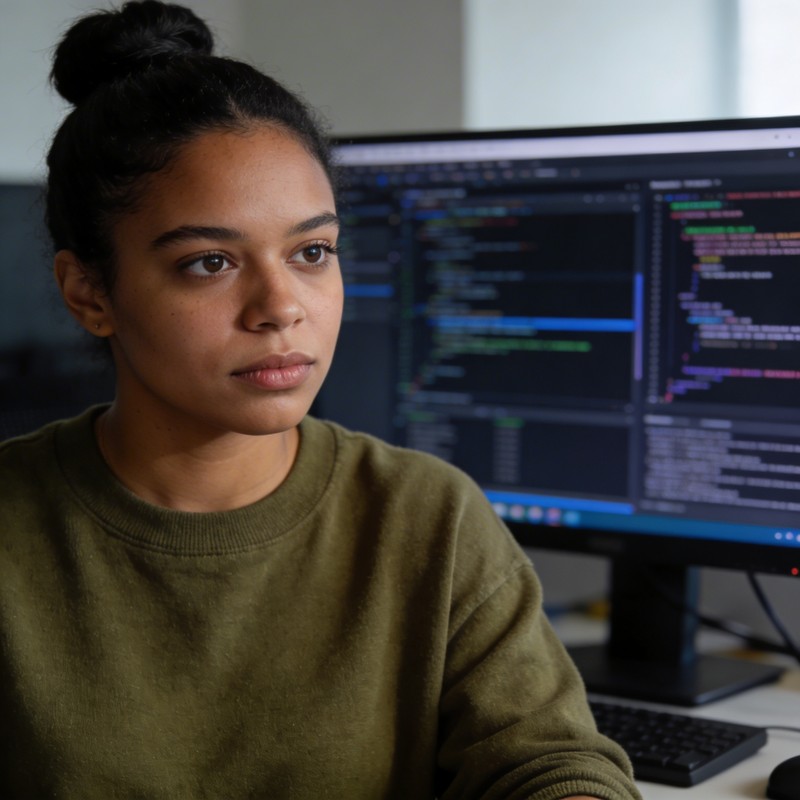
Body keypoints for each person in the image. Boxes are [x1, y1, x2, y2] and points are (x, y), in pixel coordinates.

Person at [0, 2, 642, 798]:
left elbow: (548, 762)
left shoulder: (427, 518)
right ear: (89, 292)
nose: (282, 308)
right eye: (209, 262)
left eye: (311, 252)